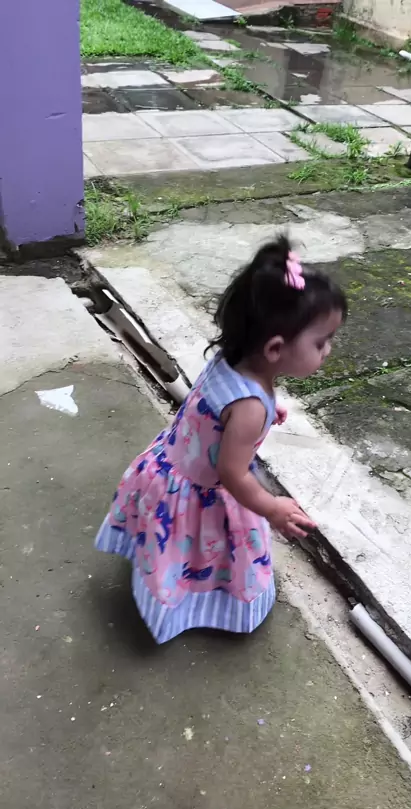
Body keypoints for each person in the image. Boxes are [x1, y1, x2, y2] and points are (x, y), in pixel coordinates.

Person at [95, 234, 347, 644]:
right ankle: (195, 609)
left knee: (168, 547)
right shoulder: (249, 408)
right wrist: (272, 507)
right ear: (275, 348)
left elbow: (216, 409)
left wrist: (267, 409)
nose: (328, 350)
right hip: (201, 491)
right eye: (322, 342)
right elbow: (233, 473)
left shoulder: (230, 360)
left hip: (166, 466)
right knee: (200, 552)